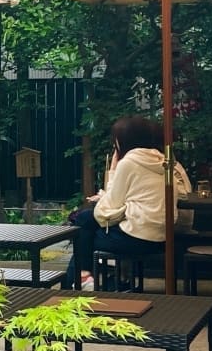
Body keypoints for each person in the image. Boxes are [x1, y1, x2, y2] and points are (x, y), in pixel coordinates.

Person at [70, 116, 192, 289]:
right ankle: (92, 279)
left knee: (83, 234)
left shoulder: (129, 163)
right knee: (85, 224)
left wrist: (113, 169)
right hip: (163, 238)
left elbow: (110, 206)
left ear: (123, 140)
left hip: (135, 238)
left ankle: (83, 280)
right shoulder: (163, 161)